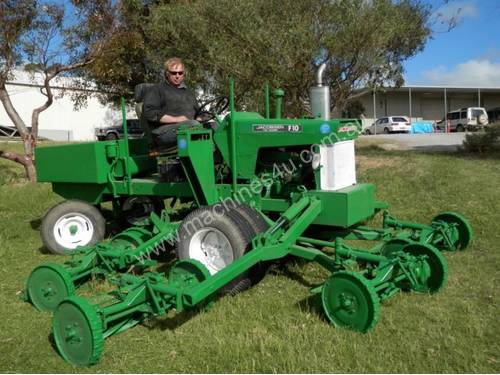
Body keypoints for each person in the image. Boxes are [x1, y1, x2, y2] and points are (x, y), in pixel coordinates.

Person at [143, 57, 200, 147]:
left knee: (215, 126)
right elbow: (150, 113)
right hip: (164, 132)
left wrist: (201, 117)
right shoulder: (157, 89)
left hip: (189, 126)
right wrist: (178, 119)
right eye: (174, 73)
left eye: (180, 73)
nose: (177, 76)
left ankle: (218, 160)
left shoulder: (188, 92)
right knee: (194, 125)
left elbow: (198, 112)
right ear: (167, 74)